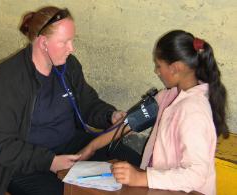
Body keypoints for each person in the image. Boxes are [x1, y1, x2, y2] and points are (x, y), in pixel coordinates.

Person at [0, 6, 141, 195]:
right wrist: (51, 161)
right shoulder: (5, 81)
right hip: (23, 165)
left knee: (132, 161)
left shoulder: (68, 66)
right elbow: (1, 145)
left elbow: (87, 102)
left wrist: (110, 115)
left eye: (72, 41)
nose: (71, 48)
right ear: (42, 42)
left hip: (71, 147)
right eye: (64, 42)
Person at [78, 30, 229, 195]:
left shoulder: (194, 111)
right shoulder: (168, 95)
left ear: (175, 68)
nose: (156, 71)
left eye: (158, 65)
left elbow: (196, 175)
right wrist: (91, 147)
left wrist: (142, 178)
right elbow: (130, 122)